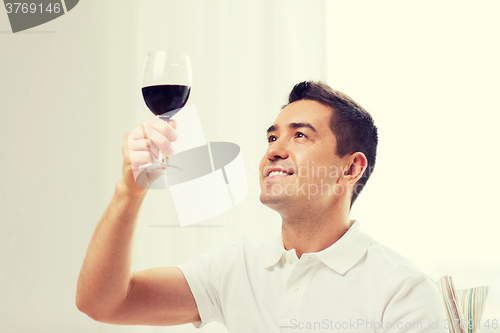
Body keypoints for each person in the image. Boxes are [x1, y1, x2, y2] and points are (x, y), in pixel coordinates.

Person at [76, 81, 448, 332]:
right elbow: (104, 303)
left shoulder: (403, 291)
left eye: (300, 135)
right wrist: (129, 192)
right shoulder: (237, 267)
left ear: (350, 168)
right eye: (272, 136)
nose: (273, 149)